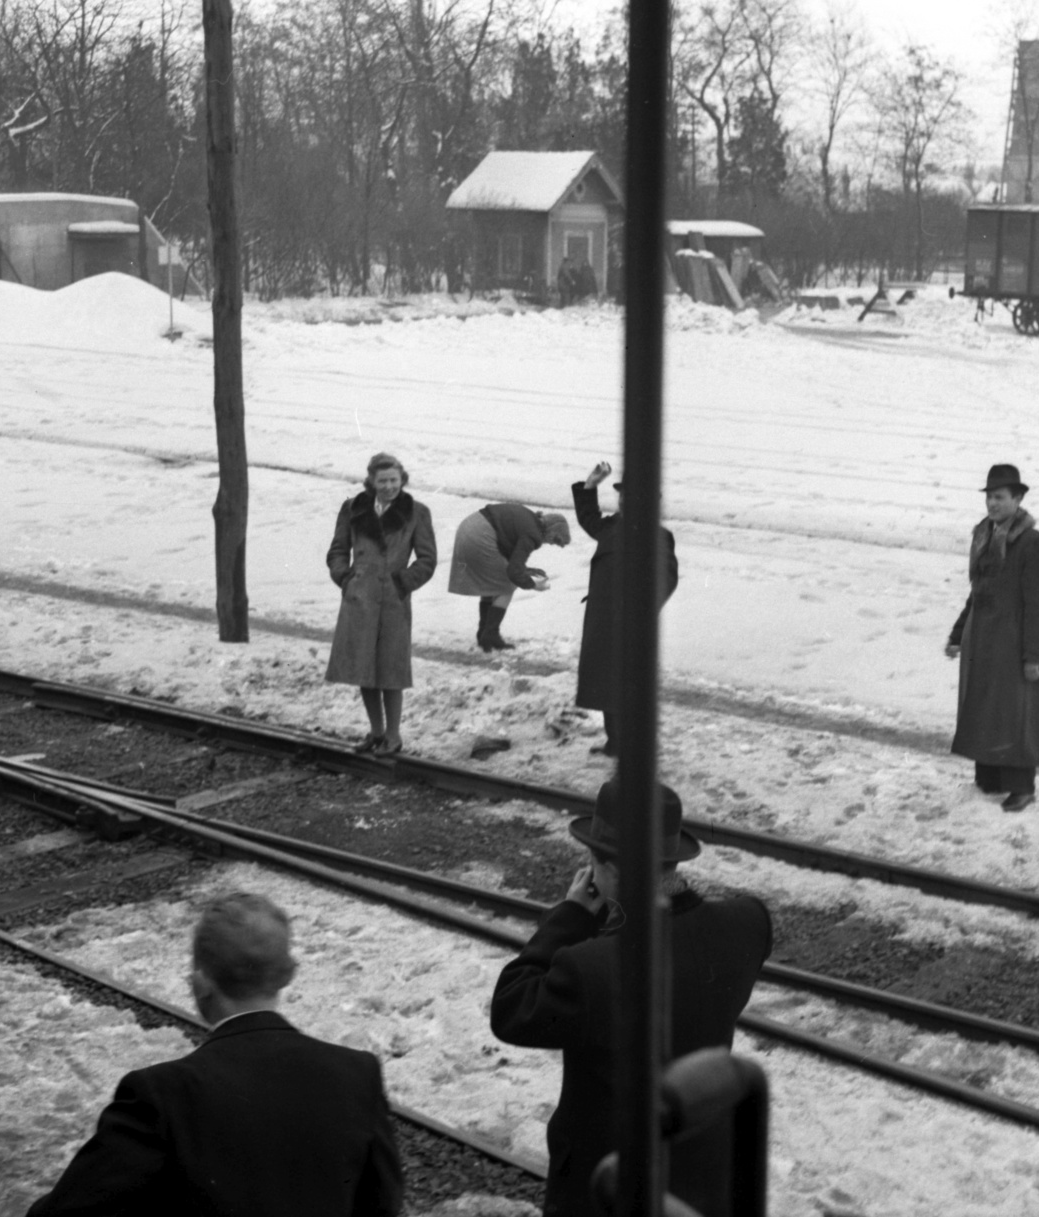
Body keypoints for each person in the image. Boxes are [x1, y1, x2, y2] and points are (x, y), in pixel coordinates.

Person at [490, 781, 772, 1217]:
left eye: (594, 862)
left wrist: (571, 916)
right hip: (700, 1177)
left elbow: (512, 1009)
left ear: (614, 871)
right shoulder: (748, 927)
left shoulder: (590, 968)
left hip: (607, 1184)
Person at [27, 892, 402, 1216]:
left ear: (201, 982)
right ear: (288, 974)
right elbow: (382, 1205)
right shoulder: (358, 1073)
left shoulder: (159, 1094)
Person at [944, 464, 1039, 812]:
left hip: (1014, 642)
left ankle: (1022, 787)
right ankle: (989, 779)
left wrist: (1033, 656)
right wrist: (959, 633)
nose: (993, 504)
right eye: (989, 497)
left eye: (1000, 497)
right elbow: (978, 591)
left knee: (1016, 713)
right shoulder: (983, 535)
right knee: (985, 709)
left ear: (1018, 499)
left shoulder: (1033, 543)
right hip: (984, 640)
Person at [326, 452, 438, 756]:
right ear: (372, 482)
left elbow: (427, 560)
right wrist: (345, 578)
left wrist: (402, 583)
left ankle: (393, 736)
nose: (389, 486)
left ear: (402, 479)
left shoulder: (417, 512)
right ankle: (375, 732)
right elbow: (338, 550)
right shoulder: (353, 509)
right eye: (383, 481)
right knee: (364, 668)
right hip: (359, 600)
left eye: (394, 480)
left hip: (393, 601)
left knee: (391, 670)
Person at [572, 461, 678, 756]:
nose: (624, 500)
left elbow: (667, 578)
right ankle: (616, 743)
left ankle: (634, 749)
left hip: (630, 626)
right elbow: (589, 519)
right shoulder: (612, 526)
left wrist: (640, 611)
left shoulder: (657, 536)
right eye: (621, 495)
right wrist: (590, 486)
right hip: (602, 620)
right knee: (606, 688)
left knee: (627, 688)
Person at [449, 502, 572, 652]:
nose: (548, 543)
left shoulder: (528, 519)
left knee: (493, 583)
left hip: (467, 530)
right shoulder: (532, 534)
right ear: (551, 532)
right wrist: (534, 585)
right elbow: (513, 572)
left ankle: (484, 633)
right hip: (481, 536)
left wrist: (525, 570)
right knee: (506, 584)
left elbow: (508, 556)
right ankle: (490, 634)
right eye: (553, 540)